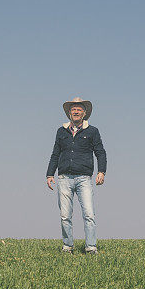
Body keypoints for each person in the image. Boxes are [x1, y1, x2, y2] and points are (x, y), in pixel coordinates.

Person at [46, 97, 106, 254]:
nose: (76, 111)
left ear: (84, 113)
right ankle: (67, 246)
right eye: (73, 109)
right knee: (65, 216)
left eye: (79, 109)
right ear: (69, 113)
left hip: (84, 178)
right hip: (64, 178)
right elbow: (55, 153)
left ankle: (91, 247)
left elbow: (100, 152)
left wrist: (101, 171)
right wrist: (49, 174)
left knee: (89, 214)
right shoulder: (61, 131)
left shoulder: (92, 131)